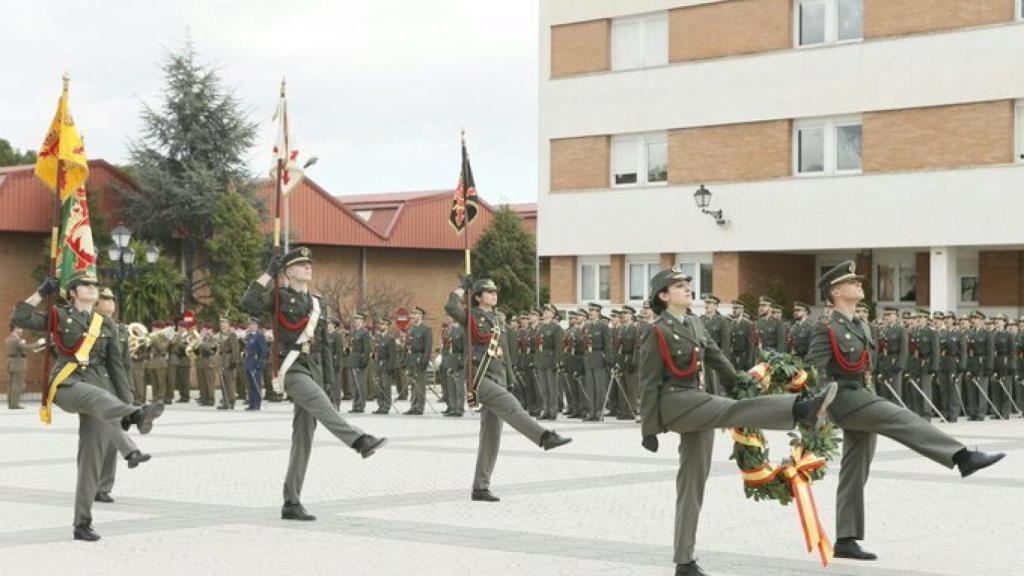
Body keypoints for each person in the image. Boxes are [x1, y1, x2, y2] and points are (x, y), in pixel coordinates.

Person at [639, 266, 838, 576]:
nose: (688, 289)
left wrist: (739, 383)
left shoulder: (694, 322)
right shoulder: (657, 330)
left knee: (692, 484)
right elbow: (648, 382)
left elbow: (716, 356)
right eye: (679, 286)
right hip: (675, 402)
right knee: (731, 410)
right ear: (663, 296)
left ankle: (684, 561)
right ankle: (799, 409)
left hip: (697, 401)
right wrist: (648, 428)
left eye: (687, 284)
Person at [807, 261, 1005, 561]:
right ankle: (962, 457)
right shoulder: (826, 328)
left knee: (855, 468)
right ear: (835, 291)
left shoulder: (861, 325)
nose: (860, 284)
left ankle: (845, 539)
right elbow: (813, 371)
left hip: (862, 393)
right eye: (852, 281)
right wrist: (815, 414)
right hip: (842, 397)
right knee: (899, 417)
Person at [12, 271, 161, 541]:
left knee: (90, 460)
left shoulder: (106, 324)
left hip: (101, 388)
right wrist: (41, 293)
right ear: (72, 292)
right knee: (97, 398)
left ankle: (83, 523)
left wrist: (127, 399)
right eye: (86, 284)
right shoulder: (58, 315)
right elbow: (19, 318)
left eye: (95, 285)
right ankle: (135, 417)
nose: (92, 288)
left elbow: (116, 367)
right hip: (68, 383)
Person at [242, 247, 386, 521]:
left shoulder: (319, 303)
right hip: (292, 368)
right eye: (300, 263)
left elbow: (324, 347)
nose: (308, 266)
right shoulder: (278, 296)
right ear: (289, 271)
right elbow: (247, 302)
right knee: (316, 407)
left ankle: (291, 501)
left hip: (314, 369)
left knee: (303, 439)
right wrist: (268, 273)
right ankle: (359, 440)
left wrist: (331, 383)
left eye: (309, 263)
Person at [444, 278, 572, 502]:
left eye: (495, 291)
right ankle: (544, 437)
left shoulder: (498, 319)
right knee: (512, 406)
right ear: (477, 296)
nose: (494, 295)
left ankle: (480, 488)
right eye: (488, 292)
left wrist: (510, 380)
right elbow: (450, 307)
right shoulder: (471, 316)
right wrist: (461, 288)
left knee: (491, 436)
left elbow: (506, 353)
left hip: (499, 376)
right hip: (480, 378)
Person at [6, 325, 43, 409]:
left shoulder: (9, 339)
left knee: (11, 384)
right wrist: (38, 343)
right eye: (19, 329)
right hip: (18, 364)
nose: (21, 330)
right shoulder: (16, 340)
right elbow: (27, 348)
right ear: (15, 329)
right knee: (17, 385)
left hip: (11, 363)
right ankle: (14, 404)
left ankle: (11, 403)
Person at [404, 307, 432, 415]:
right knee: (413, 384)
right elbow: (407, 346)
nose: (413, 316)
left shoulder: (426, 329)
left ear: (421, 315)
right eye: (412, 313)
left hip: (420, 358)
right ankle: (413, 405)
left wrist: (424, 361)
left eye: (415, 314)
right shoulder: (411, 330)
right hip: (411, 359)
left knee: (420, 384)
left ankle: (420, 406)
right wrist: (405, 360)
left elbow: (428, 347)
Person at [243, 318, 268, 411]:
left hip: (255, 362)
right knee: (250, 384)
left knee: (256, 384)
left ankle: (257, 403)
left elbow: (264, 350)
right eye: (250, 325)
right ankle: (252, 403)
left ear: (257, 326)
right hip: (249, 362)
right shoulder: (249, 336)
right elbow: (246, 349)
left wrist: (260, 362)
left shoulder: (259, 336)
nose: (251, 326)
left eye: (253, 324)